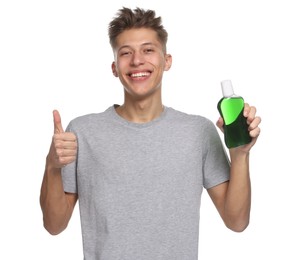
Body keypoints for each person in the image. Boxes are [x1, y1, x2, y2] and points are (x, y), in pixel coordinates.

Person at [40, 7, 261, 260]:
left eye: (148, 50)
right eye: (126, 53)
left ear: (166, 61)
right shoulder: (82, 132)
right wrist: (52, 166)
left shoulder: (198, 132)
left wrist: (240, 154)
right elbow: (54, 225)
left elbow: (236, 221)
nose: (137, 61)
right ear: (114, 67)